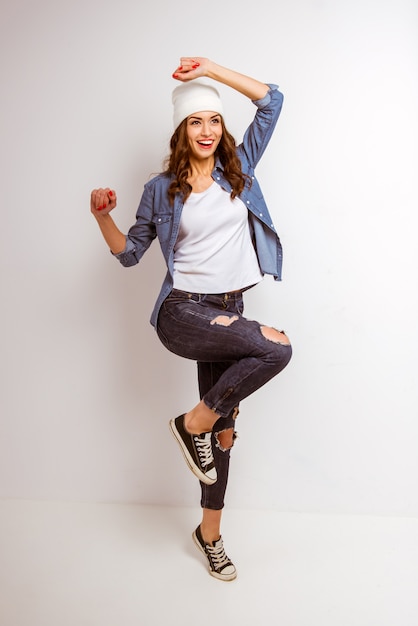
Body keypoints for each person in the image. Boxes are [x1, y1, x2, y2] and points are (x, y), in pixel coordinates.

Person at [90, 57, 292, 582]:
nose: (207, 130)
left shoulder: (239, 170)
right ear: (182, 129)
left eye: (215, 120)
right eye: (196, 121)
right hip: (183, 311)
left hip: (231, 308)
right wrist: (102, 217)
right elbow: (130, 254)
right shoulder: (161, 189)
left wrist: (212, 69)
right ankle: (191, 423)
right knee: (277, 347)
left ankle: (210, 534)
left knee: (222, 435)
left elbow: (272, 100)